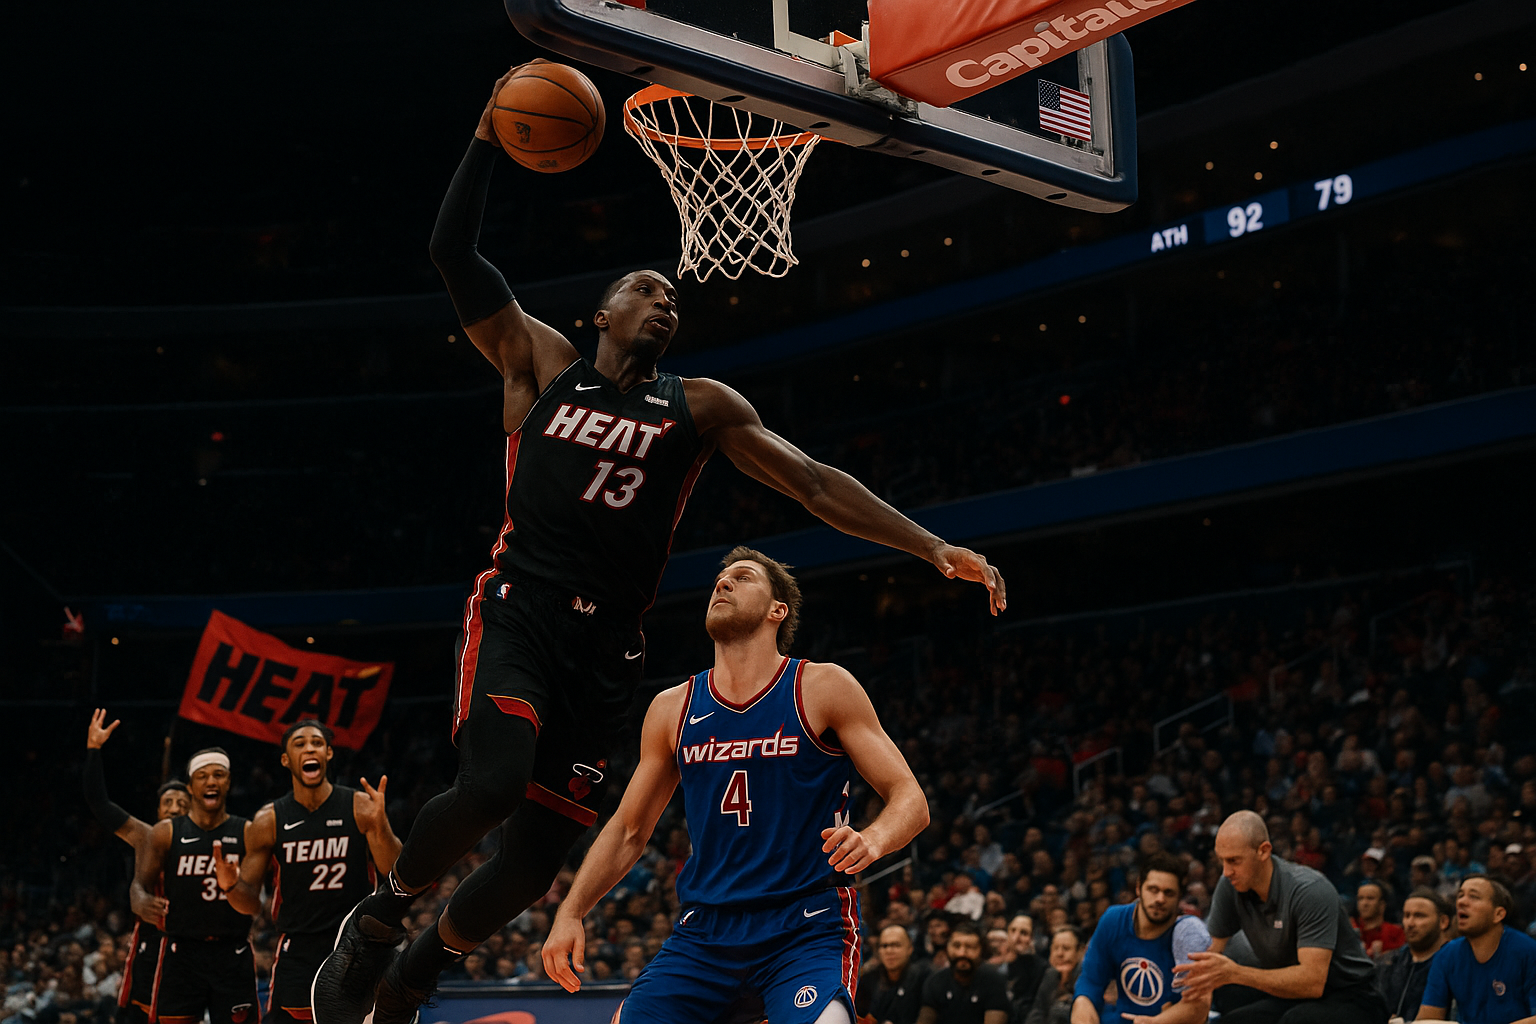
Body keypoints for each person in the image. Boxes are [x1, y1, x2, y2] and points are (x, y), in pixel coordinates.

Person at [313, 63, 1005, 1024]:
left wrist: (928, 546)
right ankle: (383, 919)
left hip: (609, 648)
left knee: (535, 861)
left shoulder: (700, 406)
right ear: (601, 315)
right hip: (522, 608)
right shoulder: (541, 366)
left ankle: (421, 969)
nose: (664, 298)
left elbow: (813, 482)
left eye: (674, 294)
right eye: (644, 288)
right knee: (496, 783)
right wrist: (484, 133)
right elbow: (450, 250)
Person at [529, 548, 928, 1024]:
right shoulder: (673, 707)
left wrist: (873, 839)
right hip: (705, 931)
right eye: (721, 578)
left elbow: (910, 797)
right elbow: (630, 829)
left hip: (804, 922)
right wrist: (572, 911)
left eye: (743, 577)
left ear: (777, 610)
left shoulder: (821, 686)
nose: (723, 583)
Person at [214, 721, 401, 1024]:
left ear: (328, 753)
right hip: (298, 947)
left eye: (316, 743)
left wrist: (382, 827)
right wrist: (230, 887)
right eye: (299, 744)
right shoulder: (268, 820)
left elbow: (395, 873)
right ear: (286, 759)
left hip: (356, 942)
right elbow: (249, 905)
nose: (309, 748)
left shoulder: (359, 806)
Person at [1175, 811, 1387, 1024]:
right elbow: (1210, 956)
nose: (1226, 871)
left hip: (1353, 995)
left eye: (1234, 861)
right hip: (1295, 997)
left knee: (1296, 1021)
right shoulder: (1230, 885)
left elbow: (1312, 983)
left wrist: (1235, 973)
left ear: (1263, 851)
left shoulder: (1309, 890)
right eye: (1221, 861)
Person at [129, 748, 256, 1024]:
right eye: (202, 776)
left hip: (232, 952)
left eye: (218, 775)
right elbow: (139, 883)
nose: (211, 781)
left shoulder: (247, 831)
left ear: (228, 782)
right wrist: (139, 900)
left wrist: (231, 886)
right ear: (190, 786)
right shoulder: (166, 833)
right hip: (181, 953)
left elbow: (255, 905)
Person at [82, 710, 190, 1024]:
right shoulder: (145, 836)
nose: (174, 808)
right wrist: (93, 750)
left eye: (182, 804)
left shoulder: (211, 842)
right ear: (158, 811)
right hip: (149, 942)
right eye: (168, 803)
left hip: (189, 945)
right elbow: (99, 803)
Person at [1070, 852, 1211, 1024]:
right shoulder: (1113, 920)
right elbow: (1090, 983)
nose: (1160, 899)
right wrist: (1082, 1006)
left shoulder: (1190, 934)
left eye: (1169, 893)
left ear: (1179, 897)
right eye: (1153, 890)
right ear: (1138, 888)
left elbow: (1199, 1007)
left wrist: (1155, 1022)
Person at [1415, 874, 1536, 1022]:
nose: (1461, 902)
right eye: (1460, 895)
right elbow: (1428, 1017)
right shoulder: (1447, 954)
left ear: (1498, 914)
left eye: (1474, 897)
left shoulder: (1527, 951)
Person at [1374, 888, 1449, 1024]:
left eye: (1419, 916)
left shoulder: (1453, 964)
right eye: (1406, 915)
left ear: (1443, 921)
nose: (1410, 923)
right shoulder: (1387, 962)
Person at [918, 922, 1010, 1024]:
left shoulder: (994, 982)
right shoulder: (935, 981)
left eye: (970, 947)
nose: (962, 953)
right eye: (956, 946)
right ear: (947, 948)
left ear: (981, 950)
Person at [859, 925, 934, 1024]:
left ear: (910, 948)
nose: (889, 951)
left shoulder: (925, 977)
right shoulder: (868, 980)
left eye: (896, 945)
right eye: (884, 946)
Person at [1024, 927, 1086, 1024]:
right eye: (1055, 948)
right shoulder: (1050, 975)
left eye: (1066, 948)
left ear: (1081, 951)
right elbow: (1037, 1013)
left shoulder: (1087, 978)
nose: (1059, 954)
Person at [1354, 882, 1405, 959]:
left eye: (1370, 898)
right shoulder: (1351, 929)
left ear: (1382, 905)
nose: (1364, 903)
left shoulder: (1396, 933)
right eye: (1360, 898)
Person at [1003, 915, 1046, 1007]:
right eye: (1013, 930)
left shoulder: (1041, 968)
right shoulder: (994, 964)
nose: (1016, 938)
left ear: (1032, 938)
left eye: (1023, 933)